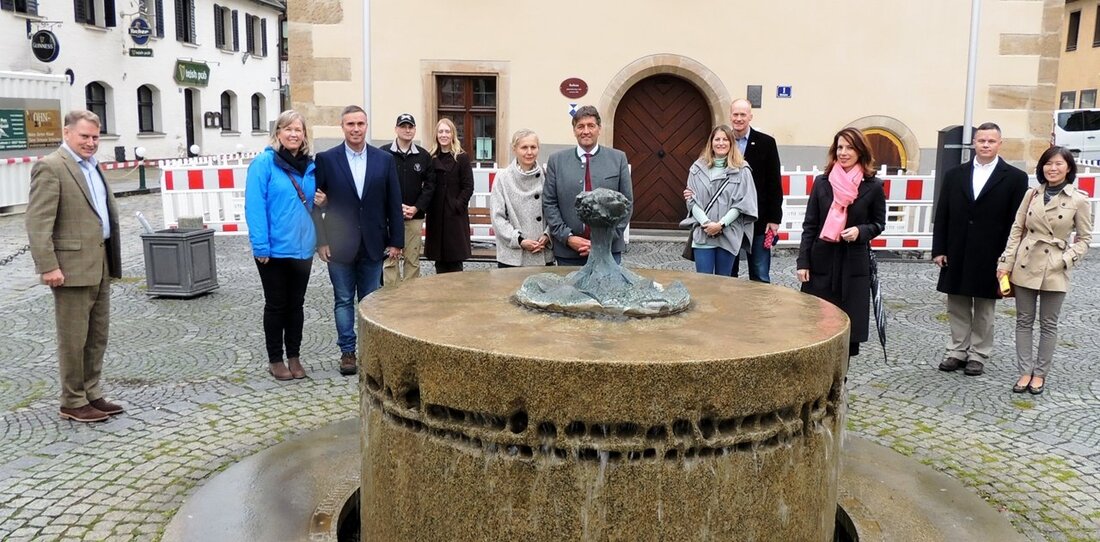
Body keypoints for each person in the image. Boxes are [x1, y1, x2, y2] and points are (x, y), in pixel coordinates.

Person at [25, 110, 124, 423]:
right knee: (73, 338)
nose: (91, 142)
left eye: (95, 137)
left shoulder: (93, 166)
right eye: (85, 136)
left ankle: (91, 392)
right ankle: (72, 399)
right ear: (67, 133)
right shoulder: (51, 167)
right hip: (69, 268)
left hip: (99, 263)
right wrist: (48, 266)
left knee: (96, 336)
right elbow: (38, 221)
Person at [932, 122, 1028, 376]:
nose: (985, 145)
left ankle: (978, 354)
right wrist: (939, 248)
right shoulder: (955, 175)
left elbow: (1017, 221)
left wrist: (1009, 257)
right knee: (957, 305)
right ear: (974, 142)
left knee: (985, 308)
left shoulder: (1015, 178)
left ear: (1000, 143)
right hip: (957, 248)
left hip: (992, 252)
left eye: (991, 141)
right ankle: (957, 350)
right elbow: (942, 214)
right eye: (981, 140)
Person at [314, 106, 404, 376]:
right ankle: (348, 352)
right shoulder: (327, 159)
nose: (356, 129)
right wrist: (321, 240)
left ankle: (371, 350)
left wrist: (397, 241)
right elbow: (317, 204)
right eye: (350, 124)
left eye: (360, 124)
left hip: (374, 242)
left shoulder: (383, 159)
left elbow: (393, 202)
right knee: (343, 300)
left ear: (367, 126)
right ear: (342, 127)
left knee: (371, 300)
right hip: (339, 244)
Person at [997, 146, 1092, 395]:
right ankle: (1024, 371)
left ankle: (1040, 374)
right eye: (1048, 164)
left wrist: (1065, 259)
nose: (1053, 168)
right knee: (1023, 321)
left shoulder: (1078, 200)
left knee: (1048, 324)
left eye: (1059, 164)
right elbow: (1017, 229)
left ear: (1068, 167)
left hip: (1055, 267)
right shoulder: (1031, 195)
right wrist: (1005, 263)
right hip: (1026, 263)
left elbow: (1084, 239)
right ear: (1042, 167)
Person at [796, 127, 886, 357]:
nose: (843, 152)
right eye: (840, 147)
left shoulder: (873, 186)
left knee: (847, 333)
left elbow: (878, 223)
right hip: (821, 262)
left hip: (852, 264)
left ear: (860, 151)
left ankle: (840, 381)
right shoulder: (822, 182)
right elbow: (810, 225)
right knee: (816, 326)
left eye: (849, 147)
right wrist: (803, 263)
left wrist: (860, 231)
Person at [245, 109, 321, 381]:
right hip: (274, 250)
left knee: (296, 305)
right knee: (276, 304)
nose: (293, 134)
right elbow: (255, 206)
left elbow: (311, 203)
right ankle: (275, 359)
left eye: (298, 130)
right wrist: (260, 245)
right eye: (287, 129)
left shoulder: (309, 166)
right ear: (278, 133)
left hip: (302, 249)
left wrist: (320, 202)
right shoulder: (264, 164)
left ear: (304, 135)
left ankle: (295, 356)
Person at [544, 105, 633, 265]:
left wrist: (604, 240)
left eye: (591, 126)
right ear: (574, 130)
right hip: (568, 251)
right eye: (580, 126)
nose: (586, 131)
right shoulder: (557, 161)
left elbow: (626, 204)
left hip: (608, 251)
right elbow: (550, 203)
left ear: (599, 128)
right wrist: (567, 237)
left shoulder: (618, 159)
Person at [684, 125, 758, 275]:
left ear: (731, 143)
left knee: (723, 284)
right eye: (717, 139)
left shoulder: (742, 170)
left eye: (725, 139)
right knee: (704, 284)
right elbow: (692, 200)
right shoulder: (697, 168)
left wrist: (721, 224)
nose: (721, 143)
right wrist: (706, 223)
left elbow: (743, 203)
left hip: (728, 232)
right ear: (711, 143)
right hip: (703, 233)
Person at [728, 99, 782, 282]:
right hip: (728, 220)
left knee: (759, 274)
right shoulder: (721, 142)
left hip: (759, 218)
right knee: (728, 275)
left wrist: (775, 219)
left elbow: (774, 182)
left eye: (743, 114)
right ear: (730, 116)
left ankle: (760, 311)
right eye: (735, 114)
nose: (739, 118)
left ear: (750, 116)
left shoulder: (766, 143)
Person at [383, 113, 435, 286]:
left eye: (410, 127)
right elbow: (378, 184)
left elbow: (430, 186)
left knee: (412, 260)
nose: (407, 130)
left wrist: (417, 208)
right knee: (391, 259)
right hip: (389, 217)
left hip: (414, 217)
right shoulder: (383, 153)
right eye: (403, 126)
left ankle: (410, 300)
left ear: (414, 130)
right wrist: (393, 207)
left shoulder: (423, 156)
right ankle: (391, 297)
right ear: (396, 129)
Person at [490, 129, 554, 267]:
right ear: (514, 149)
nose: (529, 152)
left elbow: (554, 209)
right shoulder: (503, 178)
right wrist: (519, 240)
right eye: (524, 147)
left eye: (533, 147)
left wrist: (547, 235)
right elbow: (498, 217)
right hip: (513, 256)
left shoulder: (546, 176)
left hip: (541, 251)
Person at [424, 118, 473, 273]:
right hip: (437, 216)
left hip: (455, 217)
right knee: (440, 262)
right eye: (440, 131)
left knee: (455, 262)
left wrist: (457, 205)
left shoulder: (461, 157)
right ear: (436, 135)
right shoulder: (431, 157)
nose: (443, 135)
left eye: (447, 131)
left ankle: (457, 296)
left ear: (452, 134)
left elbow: (468, 187)